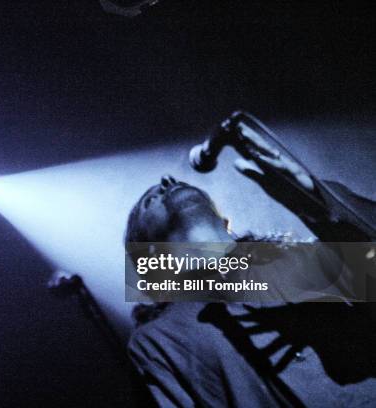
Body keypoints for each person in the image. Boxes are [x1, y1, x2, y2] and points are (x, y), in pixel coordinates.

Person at [124, 118, 376, 407]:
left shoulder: (305, 260)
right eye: (149, 201)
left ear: (223, 220)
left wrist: (325, 210)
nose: (168, 180)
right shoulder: (157, 341)